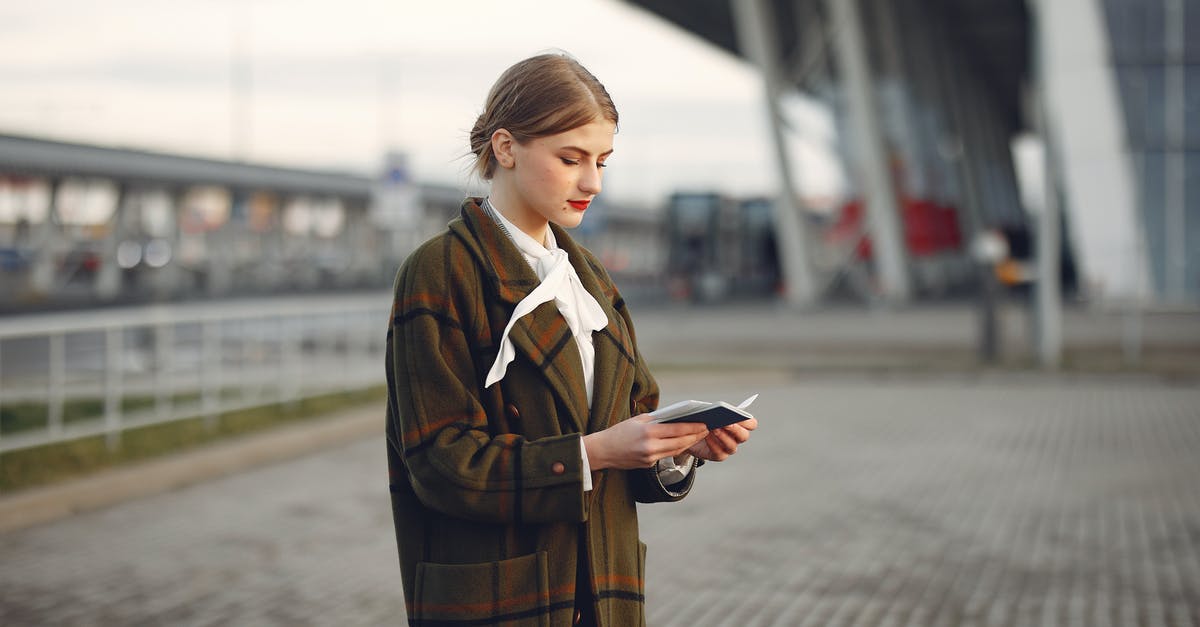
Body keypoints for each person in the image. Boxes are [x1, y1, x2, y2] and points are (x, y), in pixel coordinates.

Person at [385, 52, 757, 626]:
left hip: (601, 596)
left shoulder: (589, 278)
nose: (593, 182)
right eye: (571, 158)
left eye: (602, 161)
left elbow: (632, 424)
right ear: (505, 148)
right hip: (500, 598)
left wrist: (680, 447)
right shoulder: (441, 270)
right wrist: (599, 451)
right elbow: (439, 464)